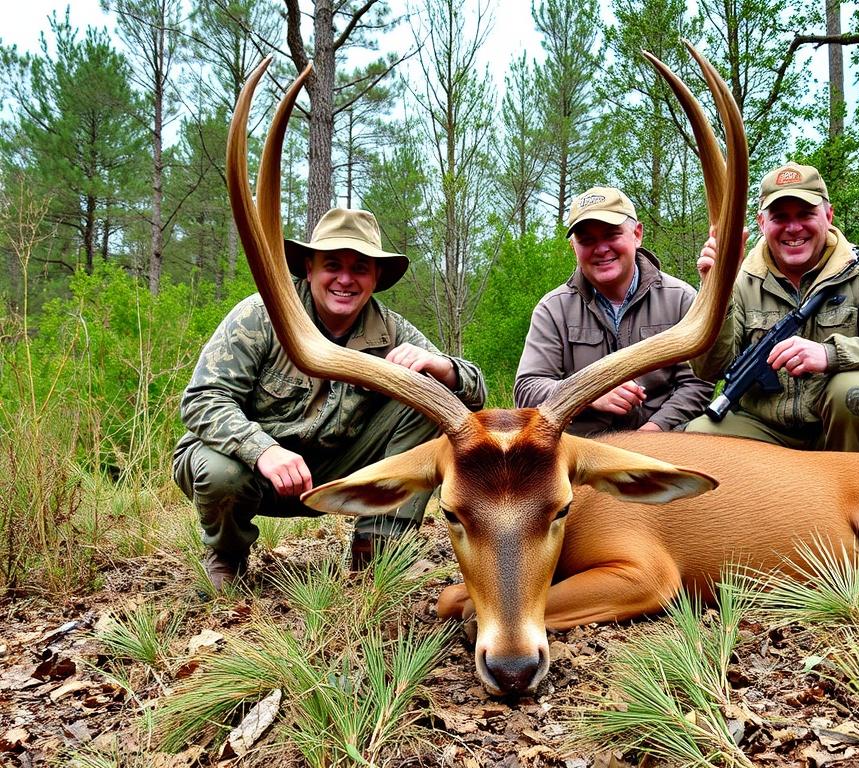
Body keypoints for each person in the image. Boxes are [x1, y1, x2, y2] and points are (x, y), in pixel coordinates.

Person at [173, 208, 486, 591]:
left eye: (360, 269)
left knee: (431, 396)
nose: (345, 279)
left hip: (334, 470)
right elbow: (203, 400)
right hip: (253, 470)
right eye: (332, 265)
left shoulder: (391, 329)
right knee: (221, 473)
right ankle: (227, 557)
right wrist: (262, 450)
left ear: (375, 277)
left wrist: (443, 367)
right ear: (309, 268)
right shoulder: (260, 315)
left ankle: (378, 549)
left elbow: (473, 397)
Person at [685, 163, 859, 453]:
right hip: (768, 428)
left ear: (828, 215)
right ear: (762, 223)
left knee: (852, 391)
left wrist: (830, 355)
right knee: (697, 437)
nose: (793, 228)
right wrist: (717, 290)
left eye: (805, 214)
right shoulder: (740, 280)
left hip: (845, 419)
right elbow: (707, 369)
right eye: (780, 217)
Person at [515, 186, 713, 435]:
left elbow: (698, 383)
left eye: (612, 235)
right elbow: (527, 389)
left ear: (637, 234)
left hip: (661, 442)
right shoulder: (553, 309)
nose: (601, 249)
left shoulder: (680, 298)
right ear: (573, 247)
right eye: (587, 240)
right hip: (583, 448)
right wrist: (587, 392)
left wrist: (655, 428)